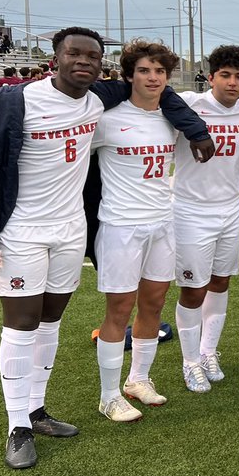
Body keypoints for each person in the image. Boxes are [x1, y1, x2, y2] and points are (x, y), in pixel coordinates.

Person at [0, 27, 212, 469]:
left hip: (71, 229)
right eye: (74, 53)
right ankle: (17, 426)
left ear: (101, 64)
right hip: (22, 230)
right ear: (56, 57)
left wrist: (196, 129)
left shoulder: (97, 99)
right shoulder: (16, 100)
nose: (83, 61)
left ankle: (37, 410)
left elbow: (158, 90)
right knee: (21, 324)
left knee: (51, 321)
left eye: (92, 55)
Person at [91, 41, 183, 422]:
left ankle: (138, 379)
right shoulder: (106, 119)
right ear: (129, 75)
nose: (153, 77)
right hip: (121, 226)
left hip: (162, 222)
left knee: (154, 304)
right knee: (119, 309)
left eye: (160, 71)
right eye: (144, 70)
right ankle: (109, 395)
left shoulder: (172, 119)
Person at [172, 45, 239, 387]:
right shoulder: (188, 104)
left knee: (221, 281)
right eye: (225, 75)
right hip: (191, 209)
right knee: (193, 288)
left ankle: (208, 352)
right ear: (210, 78)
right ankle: (189, 361)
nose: (232, 83)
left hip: (231, 207)